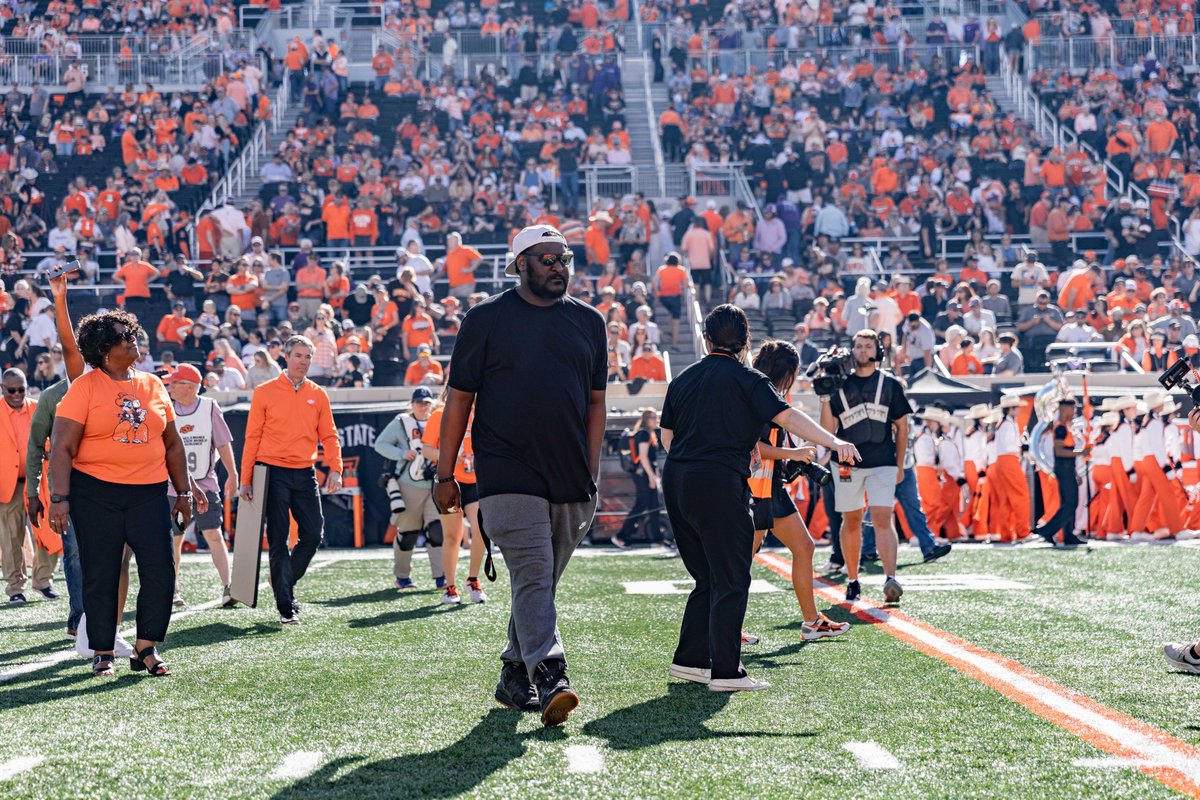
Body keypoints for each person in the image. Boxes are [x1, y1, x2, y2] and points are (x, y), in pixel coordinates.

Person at [433, 224, 606, 727]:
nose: (559, 266)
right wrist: (445, 473)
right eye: (548, 258)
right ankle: (551, 673)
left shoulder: (590, 322)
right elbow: (459, 399)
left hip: (572, 474)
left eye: (565, 257)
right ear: (521, 264)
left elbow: (596, 402)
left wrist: (591, 467)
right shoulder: (485, 319)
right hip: (507, 470)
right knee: (533, 571)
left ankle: (513, 674)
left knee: (540, 583)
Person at [660, 306, 859, 692]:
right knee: (732, 575)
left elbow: (667, 438)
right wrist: (834, 441)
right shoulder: (748, 379)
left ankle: (691, 661)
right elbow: (787, 418)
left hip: (678, 480)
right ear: (746, 341)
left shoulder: (683, 378)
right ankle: (726, 671)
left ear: (706, 339)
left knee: (706, 576)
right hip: (719, 481)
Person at [48, 309, 201, 677]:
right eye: (122, 335)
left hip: (148, 492)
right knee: (101, 572)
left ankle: (146, 646)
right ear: (103, 349)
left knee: (160, 570)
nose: (132, 339)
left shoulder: (152, 384)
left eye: (131, 332)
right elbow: (62, 449)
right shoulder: (84, 387)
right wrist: (59, 499)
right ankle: (103, 650)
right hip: (95, 494)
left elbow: (173, 443)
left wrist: (184, 492)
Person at [746, 341, 850, 641]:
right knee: (739, 563)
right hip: (754, 486)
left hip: (770, 486)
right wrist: (793, 454)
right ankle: (727, 628)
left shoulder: (768, 392)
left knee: (804, 547)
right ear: (789, 371)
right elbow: (754, 447)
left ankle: (811, 621)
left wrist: (792, 455)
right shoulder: (760, 395)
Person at [239, 335, 343, 625]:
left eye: (308, 356)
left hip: (305, 471)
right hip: (271, 471)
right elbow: (252, 437)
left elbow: (330, 435)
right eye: (299, 355)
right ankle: (285, 604)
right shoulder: (264, 391)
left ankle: (282, 581)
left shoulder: (318, 393)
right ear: (285, 357)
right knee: (278, 539)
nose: (304, 361)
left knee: (313, 535)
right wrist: (246, 477)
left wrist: (336, 468)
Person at [819, 329, 913, 604]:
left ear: (877, 351)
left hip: (882, 462)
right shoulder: (838, 384)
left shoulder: (891, 384)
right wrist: (824, 397)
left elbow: (902, 427)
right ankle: (852, 580)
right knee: (851, 520)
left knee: (884, 516)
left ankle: (890, 578)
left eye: (868, 346)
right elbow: (826, 430)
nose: (862, 350)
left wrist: (899, 464)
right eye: (858, 346)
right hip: (848, 463)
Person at [26, 273, 87, 636]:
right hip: (66, 486)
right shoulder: (51, 397)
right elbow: (35, 445)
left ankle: (99, 614)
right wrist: (34, 492)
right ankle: (79, 615)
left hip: (104, 482)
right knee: (75, 554)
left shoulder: (107, 387)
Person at [165, 364, 239, 606]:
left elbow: (223, 443)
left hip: (205, 484)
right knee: (175, 538)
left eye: (175, 382)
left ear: (189, 386)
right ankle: (172, 590)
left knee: (213, 534)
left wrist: (233, 474)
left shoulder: (209, 407)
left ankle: (229, 586)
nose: (170, 386)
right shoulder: (167, 410)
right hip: (175, 489)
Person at [373, 386, 445, 590]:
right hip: (409, 484)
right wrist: (402, 453)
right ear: (411, 404)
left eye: (426, 403)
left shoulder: (437, 419)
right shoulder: (401, 422)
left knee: (437, 530)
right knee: (408, 533)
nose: (423, 406)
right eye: (419, 403)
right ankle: (402, 576)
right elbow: (380, 444)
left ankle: (441, 576)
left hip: (434, 484)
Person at [421, 388, 487, 604]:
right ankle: (450, 587)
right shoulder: (440, 414)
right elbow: (427, 449)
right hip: (448, 483)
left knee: (482, 532)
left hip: (474, 482)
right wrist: (449, 455)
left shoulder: (480, 413)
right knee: (452, 536)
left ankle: (473, 579)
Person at [0, 368, 54, 604]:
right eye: (11, 390)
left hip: (38, 483)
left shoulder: (38, 408)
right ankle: (15, 588)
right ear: (3, 389)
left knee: (50, 532)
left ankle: (43, 581)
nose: (17, 394)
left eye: (21, 389)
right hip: (7, 486)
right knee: (10, 538)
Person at [1034, 397, 1088, 547]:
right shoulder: (1061, 428)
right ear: (1065, 409)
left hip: (1067, 468)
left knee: (1069, 503)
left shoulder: (1064, 427)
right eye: (1072, 408)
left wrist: (1076, 471)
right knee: (1070, 502)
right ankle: (1048, 530)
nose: (1074, 411)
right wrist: (1081, 452)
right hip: (1063, 468)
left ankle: (1068, 534)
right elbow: (1059, 451)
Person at [611, 407, 667, 549]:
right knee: (642, 505)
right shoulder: (644, 434)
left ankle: (657, 540)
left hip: (645, 474)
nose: (656, 420)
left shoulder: (647, 434)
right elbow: (643, 457)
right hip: (643, 475)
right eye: (654, 417)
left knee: (652, 506)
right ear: (647, 419)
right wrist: (652, 477)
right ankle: (621, 536)